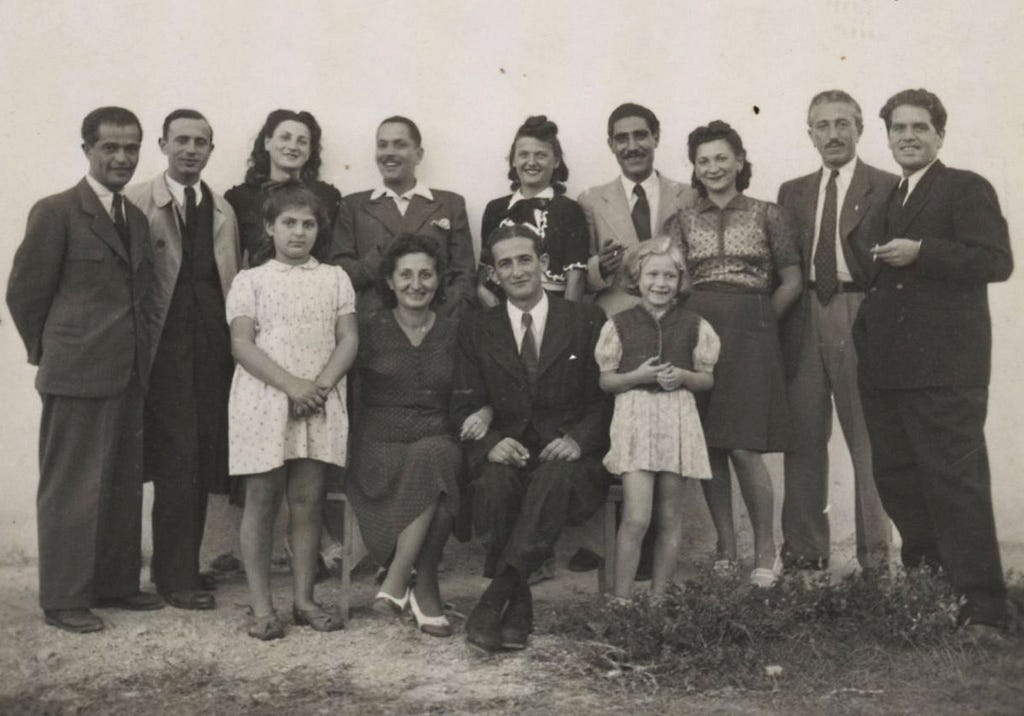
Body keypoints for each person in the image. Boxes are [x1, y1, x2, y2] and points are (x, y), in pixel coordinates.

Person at [853, 89, 1013, 640]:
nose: (908, 137)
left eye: (920, 127)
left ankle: (985, 609)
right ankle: (931, 595)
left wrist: (923, 251)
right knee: (900, 482)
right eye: (898, 128)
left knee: (955, 483)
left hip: (945, 371)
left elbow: (997, 261)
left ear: (940, 135)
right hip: (888, 371)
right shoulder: (888, 197)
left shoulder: (965, 187)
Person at [6, 107, 161, 632]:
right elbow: (24, 294)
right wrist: (53, 355)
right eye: (110, 148)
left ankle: (114, 585)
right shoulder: (55, 212)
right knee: (72, 487)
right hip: (76, 374)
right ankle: (64, 598)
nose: (122, 158)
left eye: (131, 148)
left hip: (127, 375)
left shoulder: (135, 218)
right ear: (87, 150)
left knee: (120, 483)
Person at [453, 222, 611, 653]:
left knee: (555, 477)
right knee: (494, 482)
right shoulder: (475, 328)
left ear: (542, 263)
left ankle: (496, 595)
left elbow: (606, 400)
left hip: (569, 458)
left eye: (525, 260)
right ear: (494, 274)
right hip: (510, 451)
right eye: (506, 264)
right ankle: (517, 604)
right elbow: (463, 400)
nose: (517, 271)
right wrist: (490, 444)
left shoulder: (585, 319)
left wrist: (579, 439)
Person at [665, 120, 802, 587]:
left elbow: (792, 280)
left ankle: (767, 549)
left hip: (752, 334)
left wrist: (762, 322)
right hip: (700, 331)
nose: (713, 167)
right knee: (711, 447)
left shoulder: (769, 214)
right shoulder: (682, 220)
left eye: (722, 157)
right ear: (695, 169)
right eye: (703, 161)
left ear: (740, 161)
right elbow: (676, 282)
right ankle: (727, 544)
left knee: (745, 446)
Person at [226, 183, 358, 639]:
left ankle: (304, 600)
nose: (299, 233)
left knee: (308, 502)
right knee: (262, 501)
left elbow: (349, 339)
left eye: (308, 224)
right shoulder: (250, 280)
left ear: (319, 229)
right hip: (265, 399)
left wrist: (319, 387)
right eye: (288, 223)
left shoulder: (335, 278)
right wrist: (292, 386)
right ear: (269, 227)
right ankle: (263, 607)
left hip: (318, 401)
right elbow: (242, 345)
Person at [776, 91, 897, 575]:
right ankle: (806, 555)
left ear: (860, 128)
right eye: (822, 125)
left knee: (868, 440)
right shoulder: (793, 190)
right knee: (803, 437)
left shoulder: (886, 186)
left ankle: (875, 562)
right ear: (809, 134)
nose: (833, 134)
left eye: (842, 123)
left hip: (859, 310)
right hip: (804, 309)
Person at [125, 109, 241, 610]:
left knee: (198, 462)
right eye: (182, 140)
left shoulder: (221, 210)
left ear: (211, 150)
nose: (191, 149)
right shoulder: (137, 202)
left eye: (201, 142)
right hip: (162, 355)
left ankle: (184, 566)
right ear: (163, 144)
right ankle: (173, 580)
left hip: (211, 355)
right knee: (174, 464)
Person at [346, 234, 485, 637]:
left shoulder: (456, 331)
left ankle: (395, 580)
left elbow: (482, 388)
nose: (416, 284)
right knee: (438, 491)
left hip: (438, 440)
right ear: (389, 282)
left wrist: (487, 410)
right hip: (380, 450)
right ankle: (424, 590)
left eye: (426, 274)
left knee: (435, 453)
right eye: (405, 275)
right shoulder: (368, 329)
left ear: (439, 281)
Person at [596, 238, 719, 600]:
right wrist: (638, 377)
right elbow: (607, 381)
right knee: (636, 518)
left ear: (680, 280)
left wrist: (682, 377)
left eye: (669, 275)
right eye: (653, 274)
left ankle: (658, 600)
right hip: (636, 422)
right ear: (638, 276)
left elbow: (706, 379)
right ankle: (621, 600)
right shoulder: (618, 325)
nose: (661, 283)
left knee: (669, 518)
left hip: (677, 420)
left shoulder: (696, 325)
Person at [331, 115, 476, 318]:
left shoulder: (450, 204)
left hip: (438, 324)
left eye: (400, 145)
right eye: (382, 145)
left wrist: (444, 316)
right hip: (372, 326)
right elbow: (339, 275)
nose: (389, 153)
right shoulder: (353, 206)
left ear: (418, 154)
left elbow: (465, 274)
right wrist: (379, 257)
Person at [579, 102, 697, 316]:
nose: (632, 147)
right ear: (611, 145)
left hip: (676, 318)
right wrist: (601, 267)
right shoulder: (592, 201)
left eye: (640, 135)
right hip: (616, 319)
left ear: (656, 138)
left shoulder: (689, 196)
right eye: (622, 139)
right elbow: (578, 279)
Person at [479, 115, 589, 305]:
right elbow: (484, 275)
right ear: (513, 160)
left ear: (556, 161)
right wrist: (497, 315)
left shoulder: (569, 210)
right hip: (503, 306)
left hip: (555, 306)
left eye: (541, 155)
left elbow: (576, 279)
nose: (531, 162)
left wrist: (564, 323)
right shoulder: (495, 209)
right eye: (523, 154)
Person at [225, 109, 342, 265]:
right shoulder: (239, 198)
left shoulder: (327, 196)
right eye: (285, 138)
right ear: (267, 143)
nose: (293, 146)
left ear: (310, 150)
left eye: (302, 141)